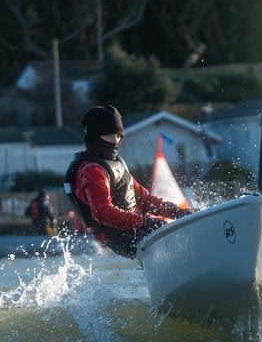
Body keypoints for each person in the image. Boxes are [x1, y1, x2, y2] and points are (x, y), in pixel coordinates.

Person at [64, 104, 192, 258]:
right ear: (94, 136)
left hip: (137, 229)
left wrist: (178, 212)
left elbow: (145, 200)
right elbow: (102, 212)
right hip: (120, 236)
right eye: (110, 135)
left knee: (171, 225)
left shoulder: (117, 164)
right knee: (164, 229)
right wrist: (143, 223)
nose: (115, 141)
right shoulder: (91, 171)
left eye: (118, 136)